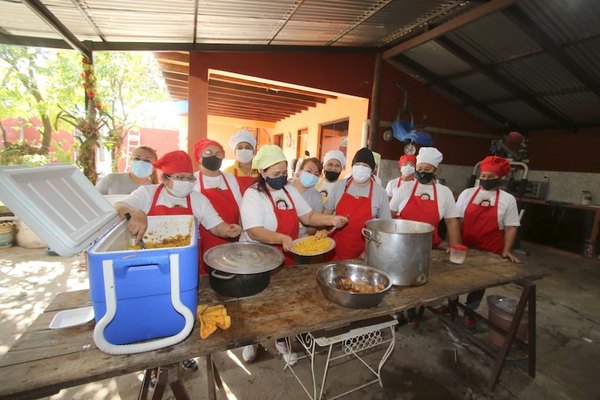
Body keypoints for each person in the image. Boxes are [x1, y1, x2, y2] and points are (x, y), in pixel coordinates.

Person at [114, 150, 241, 378]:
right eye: (179, 178)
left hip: (184, 268)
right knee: (151, 315)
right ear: (164, 178)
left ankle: (182, 353)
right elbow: (118, 206)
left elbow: (215, 225)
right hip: (150, 266)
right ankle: (152, 367)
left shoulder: (198, 199)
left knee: (181, 313)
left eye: (189, 178)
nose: (186, 183)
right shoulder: (147, 193)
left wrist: (228, 230)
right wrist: (136, 212)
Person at [239, 145, 347, 364]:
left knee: (281, 303)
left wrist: (331, 220)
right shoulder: (253, 195)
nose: (281, 178)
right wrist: (281, 238)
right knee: (256, 304)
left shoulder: (289, 191)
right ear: (262, 172)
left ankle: (282, 341)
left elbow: (308, 216)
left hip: (284, 257)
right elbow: (254, 230)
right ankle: (251, 341)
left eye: (284, 173)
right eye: (276, 174)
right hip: (258, 258)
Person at [456, 155, 521, 328]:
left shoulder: (508, 200)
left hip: (489, 250)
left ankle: (469, 311)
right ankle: (451, 306)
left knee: (478, 283)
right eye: (483, 176)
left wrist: (506, 250)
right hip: (465, 246)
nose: (485, 180)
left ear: (500, 178)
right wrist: (452, 243)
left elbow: (511, 227)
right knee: (454, 279)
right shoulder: (467, 194)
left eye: (490, 177)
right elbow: (456, 220)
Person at [324, 147, 392, 260]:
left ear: (372, 170)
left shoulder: (380, 192)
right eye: (358, 164)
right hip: (334, 250)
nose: (361, 168)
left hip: (362, 253)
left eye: (365, 166)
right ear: (352, 166)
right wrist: (321, 231)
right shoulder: (340, 185)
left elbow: (385, 228)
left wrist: (370, 250)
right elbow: (326, 213)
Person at [390, 147, 461, 249]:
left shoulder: (444, 192)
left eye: (427, 169)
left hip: (429, 247)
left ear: (436, 170)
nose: (423, 172)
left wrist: (455, 247)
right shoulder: (406, 187)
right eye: (419, 169)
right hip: (401, 244)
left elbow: (451, 221)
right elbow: (389, 213)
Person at [193, 138, 243, 275]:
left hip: (232, 237)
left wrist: (241, 232)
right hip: (204, 240)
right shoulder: (193, 181)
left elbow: (240, 207)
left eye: (218, 153)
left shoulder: (230, 179)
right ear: (199, 158)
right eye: (208, 152)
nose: (213, 156)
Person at [290, 157, 324, 236]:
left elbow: (314, 226)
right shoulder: (286, 187)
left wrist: (305, 236)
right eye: (309, 171)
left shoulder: (317, 198)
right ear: (300, 171)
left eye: (316, 174)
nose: (312, 176)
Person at [222, 129, 259, 194]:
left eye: (248, 147)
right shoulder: (227, 172)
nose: (244, 150)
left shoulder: (260, 170)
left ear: (253, 151)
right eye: (240, 148)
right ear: (235, 152)